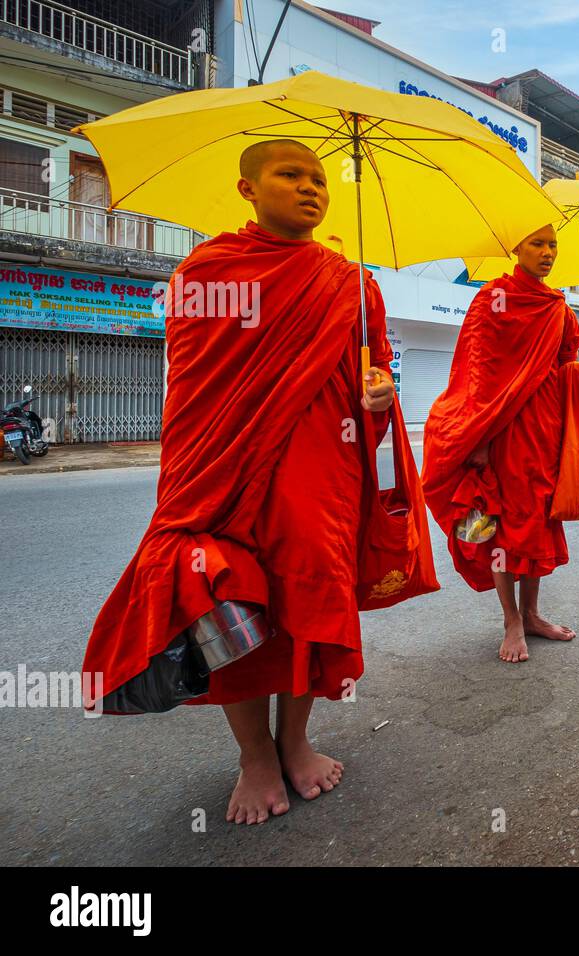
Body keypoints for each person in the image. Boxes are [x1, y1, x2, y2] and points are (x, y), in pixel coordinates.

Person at [82, 139, 397, 825]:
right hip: (223, 472)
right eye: (291, 175)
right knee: (226, 599)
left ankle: (296, 740)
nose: (311, 188)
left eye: (320, 179)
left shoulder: (353, 282)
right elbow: (197, 387)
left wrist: (379, 393)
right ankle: (255, 754)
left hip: (320, 477)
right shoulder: (208, 272)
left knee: (310, 602)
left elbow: (370, 381)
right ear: (248, 189)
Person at [422, 223, 579, 664]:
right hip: (502, 432)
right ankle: (511, 620)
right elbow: (476, 373)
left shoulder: (560, 310)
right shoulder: (493, 300)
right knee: (501, 528)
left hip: (544, 433)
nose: (548, 253)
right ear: (517, 247)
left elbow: (561, 371)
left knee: (538, 523)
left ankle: (532, 614)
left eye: (553, 246)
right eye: (538, 244)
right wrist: (479, 435)